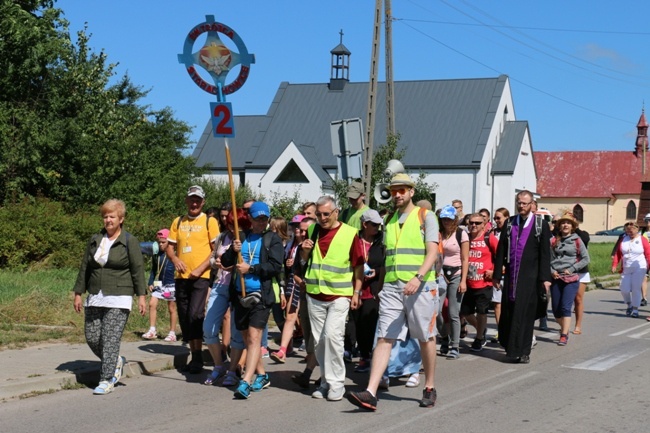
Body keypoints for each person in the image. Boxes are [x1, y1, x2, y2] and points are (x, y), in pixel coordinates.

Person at [347, 172, 439, 411]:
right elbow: (388, 258)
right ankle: (371, 391)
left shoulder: (426, 217)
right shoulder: (388, 221)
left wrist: (418, 277)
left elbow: (432, 252)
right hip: (391, 287)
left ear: (411, 192)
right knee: (384, 337)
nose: (397, 194)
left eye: (402, 190)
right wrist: (380, 287)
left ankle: (429, 386)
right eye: (394, 190)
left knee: (425, 337)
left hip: (421, 286)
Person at [72, 199, 146, 395]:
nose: (108, 220)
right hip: (96, 294)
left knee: (110, 338)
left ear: (121, 219)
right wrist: (78, 293)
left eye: (112, 216)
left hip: (119, 296)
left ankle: (107, 379)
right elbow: (85, 267)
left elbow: (138, 270)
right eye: (105, 216)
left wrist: (141, 296)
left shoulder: (129, 241)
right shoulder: (96, 239)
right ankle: (115, 360)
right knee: (92, 337)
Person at [301, 195, 364, 402]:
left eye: (326, 214)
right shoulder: (312, 230)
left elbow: (358, 265)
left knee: (332, 337)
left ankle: (337, 384)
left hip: (339, 294)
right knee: (319, 341)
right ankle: (325, 381)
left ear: (336, 212)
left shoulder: (350, 233)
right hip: (315, 292)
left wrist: (356, 292)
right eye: (318, 214)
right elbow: (306, 262)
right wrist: (304, 252)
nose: (322, 218)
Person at [221, 201, 284, 399]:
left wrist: (252, 269)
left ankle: (246, 381)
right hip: (241, 295)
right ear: (250, 218)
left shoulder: (272, 239)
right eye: (258, 219)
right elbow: (225, 262)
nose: (262, 222)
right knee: (248, 338)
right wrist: (233, 250)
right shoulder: (242, 237)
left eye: (265, 219)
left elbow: (275, 266)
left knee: (255, 337)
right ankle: (263, 375)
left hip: (261, 296)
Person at [493, 190, 552, 364]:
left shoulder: (540, 225)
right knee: (510, 312)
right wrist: (497, 275)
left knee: (525, 314)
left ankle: (524, 350)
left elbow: (545, 254)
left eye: (524, 203)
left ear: (532, 204)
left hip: (530, 277)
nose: (521, 206)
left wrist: (545, 278)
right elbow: (501, 251)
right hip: (511, 276)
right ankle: (511, 348)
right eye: (519, 202)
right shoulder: (510, 223)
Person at [166, 185, 220, 374]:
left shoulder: (209, 221)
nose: (194, 203)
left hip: (201, 276)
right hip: (181, 277)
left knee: (195, 314)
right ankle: (193, 353)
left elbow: (215, 250)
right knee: (184, 316)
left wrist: (201, 268)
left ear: (203, 202)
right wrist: (175, 259)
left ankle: (198, 357)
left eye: (198, 199)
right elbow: (170, 247)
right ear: (186, 201)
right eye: (191, 199)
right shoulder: (178, 221)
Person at [202, 208, 250, 386]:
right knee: (208, 328)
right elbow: (213, 258)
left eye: (234, 224)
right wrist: (218, 262)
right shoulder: (222, 237)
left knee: (237, 331)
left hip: (237, 287)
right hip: (220, 285)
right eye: (229, 224)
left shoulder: (247, 238)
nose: (231, 227)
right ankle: (218, 365)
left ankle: (233, 369)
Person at [350, 209, 386, 373]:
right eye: (374, 225)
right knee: (358, 323)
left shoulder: (381, 242)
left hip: (373, 289)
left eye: (379, 225)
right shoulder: (354, 239)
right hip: (354, 287)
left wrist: (376, 273)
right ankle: (364, 355)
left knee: (370, 322)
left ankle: (369, 356)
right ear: (364, 224)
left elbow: (384, 264)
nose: (377, 228)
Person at [550, 212, 590, 346]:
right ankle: (564, 328)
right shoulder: (554, 240)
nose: (565, 225)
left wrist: (572, 269)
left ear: (572, 226)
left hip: (571, 278)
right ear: (559, 226)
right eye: (563, 223)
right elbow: (548, 259)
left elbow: (586, 259)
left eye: (568, 223)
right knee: (556, 310)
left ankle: (563, 334)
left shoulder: (577, 240)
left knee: (565, 307)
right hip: (556, 277)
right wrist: (552, 271)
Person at [271, 215, 306, 363]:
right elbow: (285, 265)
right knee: (290, 315)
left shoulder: (310, 244)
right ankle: (283, 349)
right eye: (293, 225)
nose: (296, 229)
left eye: (298, 226)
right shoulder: (290, 244)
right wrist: (288, 263)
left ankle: (312, 350)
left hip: (309, 282)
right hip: (293, 280)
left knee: (308, 318)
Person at [289, 216, 319, 388]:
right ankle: (310, 373)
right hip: (305, 294)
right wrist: (302, 283)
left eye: (306, 230)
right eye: (300, 230)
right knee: (308, 334)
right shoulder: (300, 248)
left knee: (318, 337)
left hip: (321, 297)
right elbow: (295, 272)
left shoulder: (321, 246)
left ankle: (313, 375)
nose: (302, 233)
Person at [462, 213, 498, 351]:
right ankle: (480, 329)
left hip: (484, 283)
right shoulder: (465, 238)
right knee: (465, 312)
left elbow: (501, 255)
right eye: (471, 223)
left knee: (482, 312)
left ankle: (479, 339)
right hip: (468, 282)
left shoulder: (490, 238)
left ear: (484, 224)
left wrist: (495, 271)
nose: (474, 225)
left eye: (477, 223)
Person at [437, 204, 469, 359]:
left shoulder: (461, 234)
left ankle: (454, 346)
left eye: (449, 219)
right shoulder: (439, 234)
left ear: (455, 219)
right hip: (440, 274)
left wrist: (463, 280)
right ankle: (444, 338)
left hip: (456, 273)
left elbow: (465, 258)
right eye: (443, 219)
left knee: (453, 312)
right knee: (436, 312)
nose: (446, 222)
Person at [142, 228, 178, 342]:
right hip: (159, 283)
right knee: (152, 304)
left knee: (171, 308)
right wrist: (150, 282)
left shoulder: (175, 254)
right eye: (159, 242)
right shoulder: (157, 254)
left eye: (163, 242)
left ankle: (172, 333)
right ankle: (152, 330)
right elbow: (153, 269)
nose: (161, 244)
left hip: (170, 285)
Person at [611, 221, 650, 318]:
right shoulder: (623, 239)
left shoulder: (642, 240)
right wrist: (615, 264)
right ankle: (629, 305)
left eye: (632, 229)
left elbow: (648, 253)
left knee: (636, 288)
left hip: (639, 267)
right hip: (626, 267)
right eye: (628, 230)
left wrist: (648, 265)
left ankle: (635, 309)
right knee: (623, 288)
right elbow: (618, 253)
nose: (630, 232)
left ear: (637, 229)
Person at [489, 207, 509, 343]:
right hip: (495, 272)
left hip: (509, 272)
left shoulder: (512, 231)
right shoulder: (492, 233)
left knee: (509, 303)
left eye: (499, 218)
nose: (496, 221)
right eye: (495, 218)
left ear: (506, 218)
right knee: (497, 303)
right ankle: (500, 330)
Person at [572, 219, 591, 335]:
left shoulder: (583, 234)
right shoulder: (559, 235)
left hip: (581, 271)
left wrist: (575, 228)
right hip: (564, 271)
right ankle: (564, 323)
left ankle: (578, 325)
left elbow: (585, 239)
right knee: (565, 300)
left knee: (578, 298)